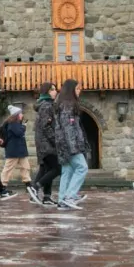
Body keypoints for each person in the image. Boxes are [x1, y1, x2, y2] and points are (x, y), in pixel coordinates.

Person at [54, 79, 89, 210]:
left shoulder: (61, 104)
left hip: (63, 144)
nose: (79, 91)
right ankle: (70, 196)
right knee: (82, 168)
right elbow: (68, 128)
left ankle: (62, 200)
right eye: (78, 88)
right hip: (70, 145)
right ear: (71, 90)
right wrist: (74, 147)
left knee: (67, 171)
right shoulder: (68, 105)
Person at [28, 83, 60, 206]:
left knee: (47, 169)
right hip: (47, 144)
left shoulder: (45, 105)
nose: (55, 91)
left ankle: (47, 197)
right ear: (46, 91)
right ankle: (36, 187)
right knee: (58, 168)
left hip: (43, 143)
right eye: (52, 89)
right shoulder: (46, 106)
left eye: (55, 89)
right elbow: (46, 127)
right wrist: (55, 141)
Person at [0, 106, 32, 189]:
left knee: (25, 167)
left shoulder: (16, 123)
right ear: (16, 115)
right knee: (8, 169)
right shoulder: (13, 124)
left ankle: (28, 184)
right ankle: (3, 185)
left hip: (20, 150)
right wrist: (24, 126)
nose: (22, 115)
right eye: (20, 113)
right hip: (14, 150)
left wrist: (22, 125)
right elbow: (19, 133)